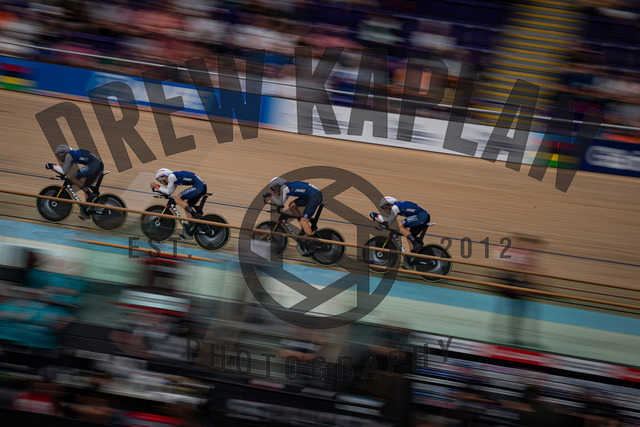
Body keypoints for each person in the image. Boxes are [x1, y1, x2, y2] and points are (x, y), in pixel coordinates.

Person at [263, 176, 323, 256]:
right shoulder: (286, 187)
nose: (274, 192)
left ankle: (313, 246)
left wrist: (270, 196)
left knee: (304, 221)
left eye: (273, 190)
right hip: (312, 195)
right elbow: (282, 202)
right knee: (292, 206)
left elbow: (280, 203)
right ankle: (304, 228)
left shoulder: (284, 188)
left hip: (314, 197)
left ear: (277, 186)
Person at [45, 144, 104, 218]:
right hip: (98, 164)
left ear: (63, 154)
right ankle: (88, 208)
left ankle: (90, 195)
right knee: (85, 185)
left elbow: (63, 171)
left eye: (59, 156)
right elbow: (66, 170)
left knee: (73, 178)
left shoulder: (69, 156)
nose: (59, 158)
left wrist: (51, 166)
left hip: (94, 165)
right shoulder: (72, 154)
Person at [150, 168, 206, 239]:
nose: (161, 182)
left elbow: (168, 192)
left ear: (164, 176)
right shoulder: (174, 177)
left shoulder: (171, 176)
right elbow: (169, 192)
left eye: (160, 180)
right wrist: (160, 189)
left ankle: (195, 215)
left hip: (198, 186)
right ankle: (191, 227)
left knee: (177, 198)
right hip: (201, 186)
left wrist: (156, 186)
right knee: (186, 205)